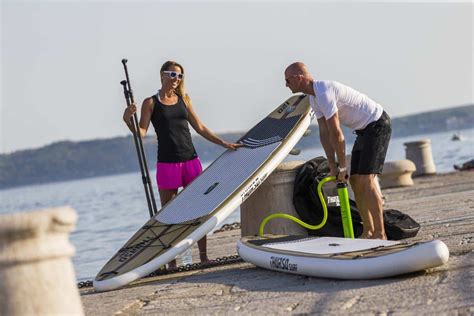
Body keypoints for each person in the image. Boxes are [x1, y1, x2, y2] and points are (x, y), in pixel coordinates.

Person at [123, 60, 242, 268]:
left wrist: (223, 143)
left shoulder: (184, 99)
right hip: (167, 164)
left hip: (191, 161)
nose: (176, 79)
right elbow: (141, 133)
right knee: (169, 214)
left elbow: (201, 128)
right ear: (162, 75)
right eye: (172, 74)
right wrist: (127, 120)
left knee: (199, 209)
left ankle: (203, 256)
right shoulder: (150, 103)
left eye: (179, 76)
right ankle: (171, 262)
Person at [284, 62, 392, 240]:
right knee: (356, 182)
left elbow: (337, 134)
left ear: (299, 78)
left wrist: (342, 167)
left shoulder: (325, 91)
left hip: (378, 124)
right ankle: (369, 232)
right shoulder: (313, 98)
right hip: (363, 131)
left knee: (366, 180)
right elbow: (325, 134)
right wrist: (333, 165)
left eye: (288, 81)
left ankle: (381, 234)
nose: (286, 85)